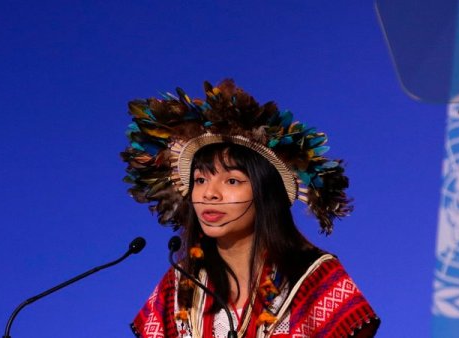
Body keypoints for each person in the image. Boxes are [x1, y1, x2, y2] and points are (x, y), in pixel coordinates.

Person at [122, 80, 380, 337]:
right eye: (200, 180)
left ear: (264, 193)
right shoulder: (177, 289)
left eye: (232, 180)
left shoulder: (314, 279)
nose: (209, 193)